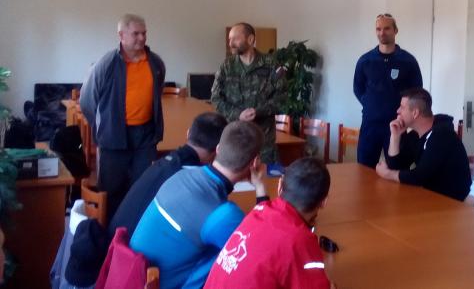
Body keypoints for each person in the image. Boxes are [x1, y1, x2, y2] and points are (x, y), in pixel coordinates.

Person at [130, 121, 268, 289]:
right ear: (254, 163)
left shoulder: (181, 175)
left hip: (134, 276)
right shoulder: (223, 215)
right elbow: (263, 250)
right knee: (234, 256)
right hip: (168, 285)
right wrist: (261, 189)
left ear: (218, 149)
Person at [80, 14, 166, 218]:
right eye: (136, 34)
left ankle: (135, 231)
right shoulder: (107, 64)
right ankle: (110, 232)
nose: (142, 38)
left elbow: (157, 93)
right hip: (114, 137)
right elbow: (87, 101)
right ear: (121, 35)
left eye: (144, 33)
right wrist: (103, 127)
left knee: (143, 188)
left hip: (145, 137)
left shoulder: (155, 63)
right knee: (111, 190)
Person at [204, 158, 335, 289]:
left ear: (280, 186)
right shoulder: (300, 240)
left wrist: (260, 185)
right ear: (324, 202)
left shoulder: (260, 211)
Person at [108, 112, 228, 235]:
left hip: (116, 237)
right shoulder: (192, 179)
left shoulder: (166, 161)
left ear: (188, 133)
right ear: (219, 149)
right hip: (129, 244)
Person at [211, 22, 284, 173]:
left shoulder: (271, 64)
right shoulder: (227, 66)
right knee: (234, 181)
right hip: (234, 139)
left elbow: (282, 99)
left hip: (263, 141)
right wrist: (238, 114)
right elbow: (216, 98)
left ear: (250, 39)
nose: (230, 43)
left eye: (235, 39)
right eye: (229, 39)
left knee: (264, 180)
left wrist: (258, 111)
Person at [375, 88, 471, 201]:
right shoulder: (416, 135)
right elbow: (396, 167)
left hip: (453, 204)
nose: (398, 111)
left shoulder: (442, 135)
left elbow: (418, 176)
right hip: (430, 198)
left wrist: (387, 174)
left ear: (415, 113)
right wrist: (395, 136)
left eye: (402, 107)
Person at [353, 13, 423, 167]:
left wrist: (405, 114)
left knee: (397, 168)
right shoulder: (365, 60)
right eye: (378, 29)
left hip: (397, 125)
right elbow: (357, 88)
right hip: (370, 124)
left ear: (395, 30)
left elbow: (417, 92)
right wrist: (370, 104)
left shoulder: (408, 61)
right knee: (364, 168)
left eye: (386, 28)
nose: (382, 33)